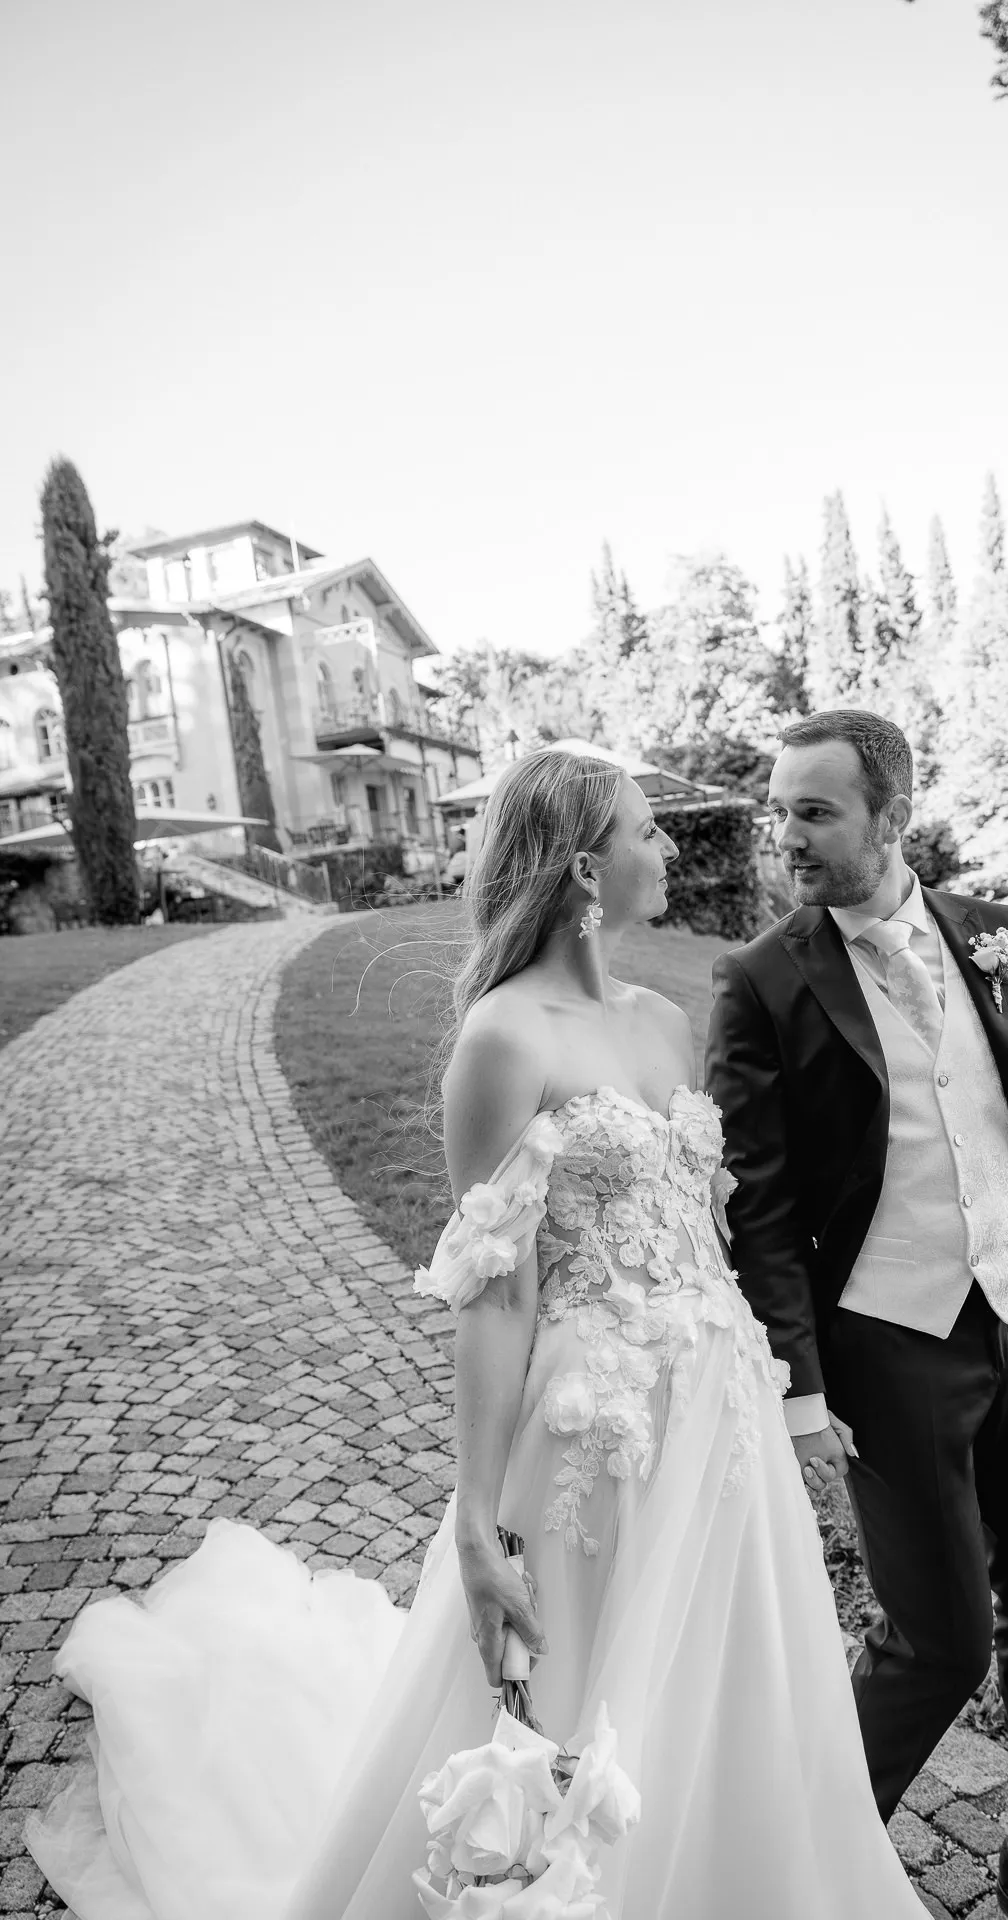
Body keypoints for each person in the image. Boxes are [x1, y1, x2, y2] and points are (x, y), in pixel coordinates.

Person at [28, 747, 924, 1920]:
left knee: (735, 1684)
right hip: (592, 1442)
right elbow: (495, 1296)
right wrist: (475, 1517)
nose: (668, 850)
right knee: (575, 1707)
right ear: (580, 864)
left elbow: (703, 1229)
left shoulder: (665, 1021)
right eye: (647, 832)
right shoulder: (504, 1041)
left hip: (721, 1420)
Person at [705, 710, 1008, 1920]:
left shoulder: (998, 941)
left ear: (893, 815)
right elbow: (759, 1209)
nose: (787, 837)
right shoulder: (761, 982)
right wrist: (804, 1388)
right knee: (938, 1643)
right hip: (889, 1341)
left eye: (814, 811)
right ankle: (783, 1875)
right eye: (780, 811)